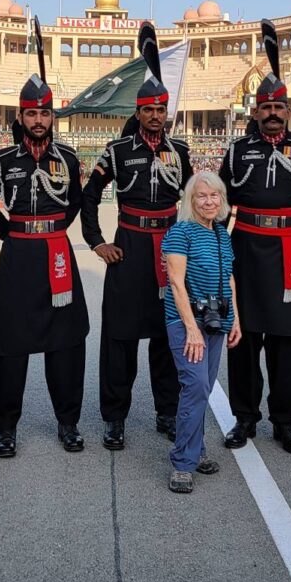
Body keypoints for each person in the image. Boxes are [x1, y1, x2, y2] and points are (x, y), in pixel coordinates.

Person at [219, 20, 291, 454]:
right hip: (245, 249)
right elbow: (218, 205)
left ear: (289, 110)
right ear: (255, 110)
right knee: (243, 339)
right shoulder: (236, 151)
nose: (272, 113)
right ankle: (244, 417)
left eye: (279, 107)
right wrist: (216, 254)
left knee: (289, 341)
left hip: (290, 254)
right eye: (265, 106)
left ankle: (285, 421)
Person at [80, 23, 191, 451]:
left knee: (167, 335)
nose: (156, 116)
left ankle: (167, 412)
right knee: (120, 338)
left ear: (167, 111)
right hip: (128, 248)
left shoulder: (179, 151)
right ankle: (115, 417)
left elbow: (197, 199)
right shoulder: (117, 151)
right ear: (139, 111)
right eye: (148, 110)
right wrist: (96, 241)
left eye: (161, 109)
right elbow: (89, 197)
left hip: (169, 250)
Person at [0, 39, 90, 458]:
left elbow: (77, 201)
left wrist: (59, 229)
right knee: (10, 341)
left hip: (57, 253)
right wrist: (5, 231)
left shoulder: (69, 158)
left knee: (66, 341)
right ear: (21, 115)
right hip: (19, 256)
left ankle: (68, 423)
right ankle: (6, 428)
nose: (39, 119)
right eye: (31, 112)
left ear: (52, 117)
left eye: (45, 112)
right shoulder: (3, 159)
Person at [161, 172, 241, 494]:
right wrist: (191, 329)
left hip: (216, 322)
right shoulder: (180, 232)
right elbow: (175, 283)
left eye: (214, 196)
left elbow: (229, 278)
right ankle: (182, 463)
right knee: (194, 386)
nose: (209, 201)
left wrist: (235, 319)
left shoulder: (222, 234)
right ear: (190, 201)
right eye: (201, 196)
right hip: (186, 323)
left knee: (203, 388)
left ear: (221, 200)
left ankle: (198, 450)